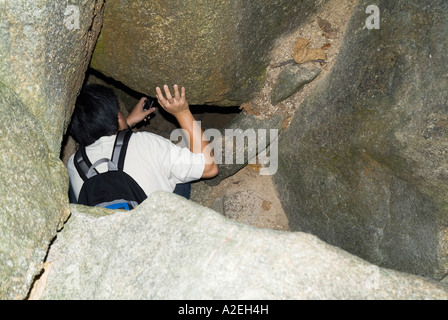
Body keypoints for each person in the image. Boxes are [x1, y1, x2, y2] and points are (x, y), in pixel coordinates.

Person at [67, 83, 219, 206]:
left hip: (110, 240)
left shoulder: (73, 164)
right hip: (154, 234)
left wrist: (127, 122)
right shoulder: (146, 142)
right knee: (177, 170)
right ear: (118, 117)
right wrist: (182, 112)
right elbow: (209, 168)